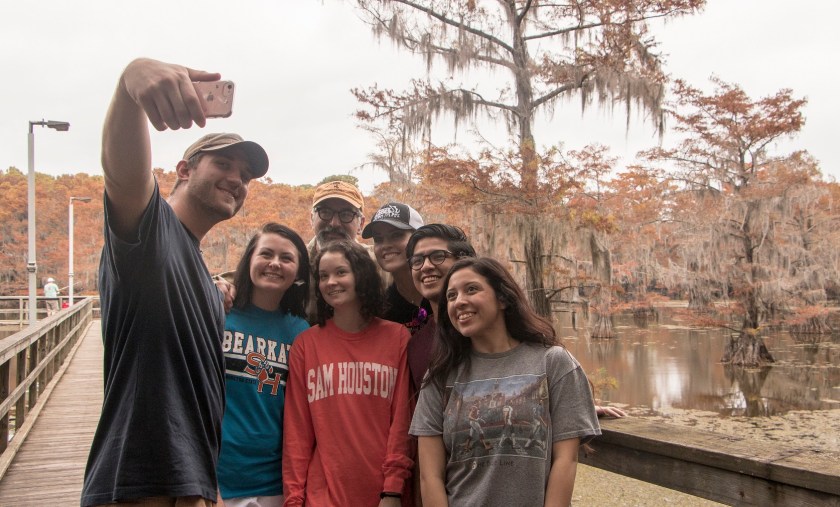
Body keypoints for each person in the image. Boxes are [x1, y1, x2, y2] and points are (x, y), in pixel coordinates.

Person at [82, 57, 269, 507]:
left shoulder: (202, 277)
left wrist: (209, 488)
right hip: (138, 482)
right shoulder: (151, 232)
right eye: (223, 164)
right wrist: (131, 84)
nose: (236, 180)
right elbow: (122, 175)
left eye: (244, 175)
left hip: (191, 485)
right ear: (184, 171)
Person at [409, 257, 601, 506]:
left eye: (472, 289)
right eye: (452, 296)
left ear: (502, 298)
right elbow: (430, 476)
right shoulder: (440, 375)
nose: (459, 302)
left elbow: (566, 461)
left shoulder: (553, 363)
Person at [282, 240, 412, 506]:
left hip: (383, 496)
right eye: (323, 276)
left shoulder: (397, 337)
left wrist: (393, 489)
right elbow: (297, 431)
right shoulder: (306, 345)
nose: (331, 282)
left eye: (341, 272)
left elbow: (402, 420)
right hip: (322, 496)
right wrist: (293, 500)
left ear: (361, 275)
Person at [217, 223, 311, 507]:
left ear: (299, 273)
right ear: (250, 260)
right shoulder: (219, 314)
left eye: (286, 258)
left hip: (275, 483)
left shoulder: (302, 332)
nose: (274, 264)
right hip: (217, 478)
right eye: (266, 254)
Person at [404, 224, 476, 392]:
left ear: (463, 261)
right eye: (417, 261)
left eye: (438, 256)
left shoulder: (489, 328)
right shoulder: (416, 346)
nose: (426, 266)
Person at [361, 202, 430, 332]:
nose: (386, 245)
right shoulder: (383, 309)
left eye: (396, 235)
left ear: (419, 237)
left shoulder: (445, 292)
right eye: (378, 239)